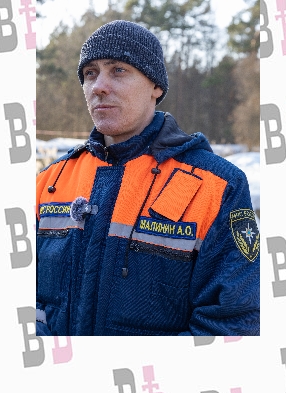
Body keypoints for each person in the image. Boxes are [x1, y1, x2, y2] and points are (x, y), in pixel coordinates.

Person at [35, 20, 260, 336]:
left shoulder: (217, 187)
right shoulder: (49, 182)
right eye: (90, 73)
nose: (99, 86)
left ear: (156, 87)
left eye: (118, 70)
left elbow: (233, 323)